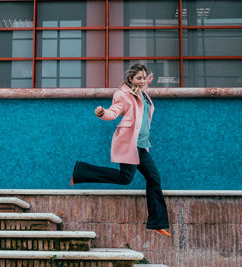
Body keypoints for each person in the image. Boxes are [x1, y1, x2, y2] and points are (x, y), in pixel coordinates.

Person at [71, 63, 171, 237]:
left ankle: (157, 222)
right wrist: (102, 113)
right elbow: (113, 112)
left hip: (141, 146)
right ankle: (81, 171)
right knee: (126, 178)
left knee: (154, 178)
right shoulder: (122, 95)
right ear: (130, 79)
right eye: (138, 78)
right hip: (129, 144)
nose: (141, 81)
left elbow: (141, 94)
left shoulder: (142, 92)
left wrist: (145, 82)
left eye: (143, 78)